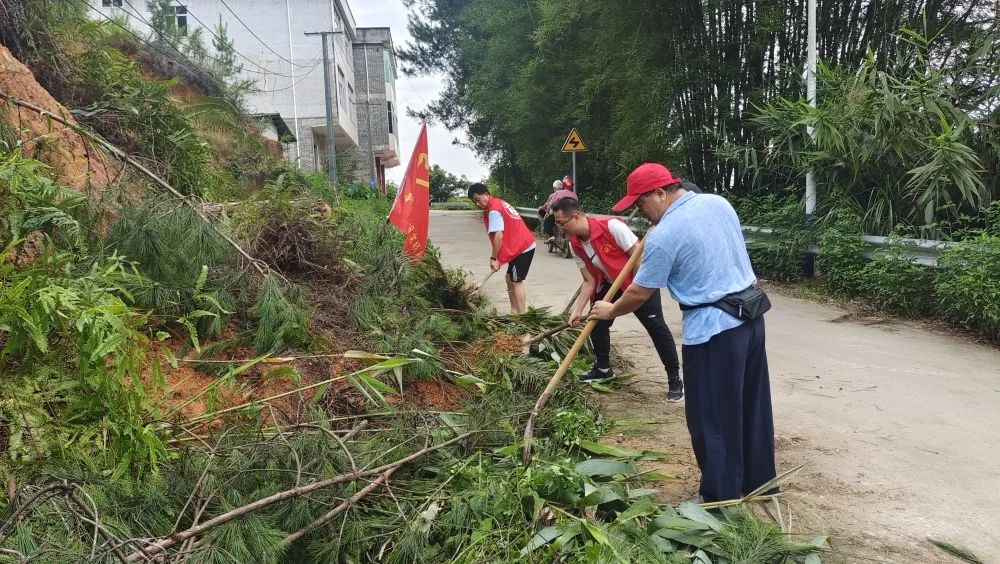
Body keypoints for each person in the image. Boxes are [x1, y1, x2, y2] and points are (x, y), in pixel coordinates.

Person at [589, 163, 776, 503]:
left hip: (713, 332)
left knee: (712, 417)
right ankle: (760, 483)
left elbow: (639, 292)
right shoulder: (718, 203)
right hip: (750, 319)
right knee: (752, 405)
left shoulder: (664, 235)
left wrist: (609, 309)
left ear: (660, 193)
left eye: (640, 204)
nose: (640, 213)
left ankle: (720, 497)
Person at [552, 197, 683, 400]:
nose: (559, 228)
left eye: (561, 222)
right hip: (612, 284)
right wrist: (577, 311)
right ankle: (603, 368)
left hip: (638, 283)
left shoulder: (612, 227)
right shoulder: (575, 244)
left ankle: (675, 380)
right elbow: (588, 281)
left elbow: (639, 258)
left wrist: (638, 290)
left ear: (576, 217)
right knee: (596, 320)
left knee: (656, 328)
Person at [468, 182, 536, 314]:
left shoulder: (494, 210)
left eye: (478, 199)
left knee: (516, 281)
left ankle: (522, 317)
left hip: (522, 248)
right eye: (474, 202)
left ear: (486, 194)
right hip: (518, 245)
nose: (477, 204)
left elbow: (498, 236)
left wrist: (494, 258)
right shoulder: (496, 203)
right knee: (509, 278)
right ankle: (514, 311)